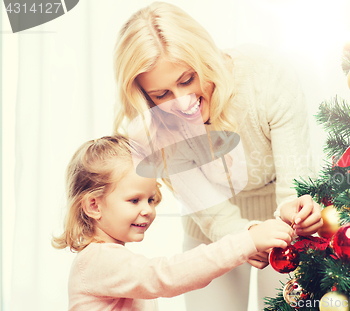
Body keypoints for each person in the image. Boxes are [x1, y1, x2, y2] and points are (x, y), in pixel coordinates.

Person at [113, 2, 323, 310]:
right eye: (162, 94)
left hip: (283, 224)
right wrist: (246, 236)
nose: (182, 102)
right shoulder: (152, 125)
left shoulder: (266, 77)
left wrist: (297, 212)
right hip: (209, 231)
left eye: (187, 80)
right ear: (145, 97)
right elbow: (214, 215)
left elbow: (295, 182)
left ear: (207, 59)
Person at [52, 134, 295, 310]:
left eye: (150, 199)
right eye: (134, 200)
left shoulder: (109, 259)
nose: (147, 209)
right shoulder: (97, 260)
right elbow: (167, 275)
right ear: (94, 205)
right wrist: (247, 241)